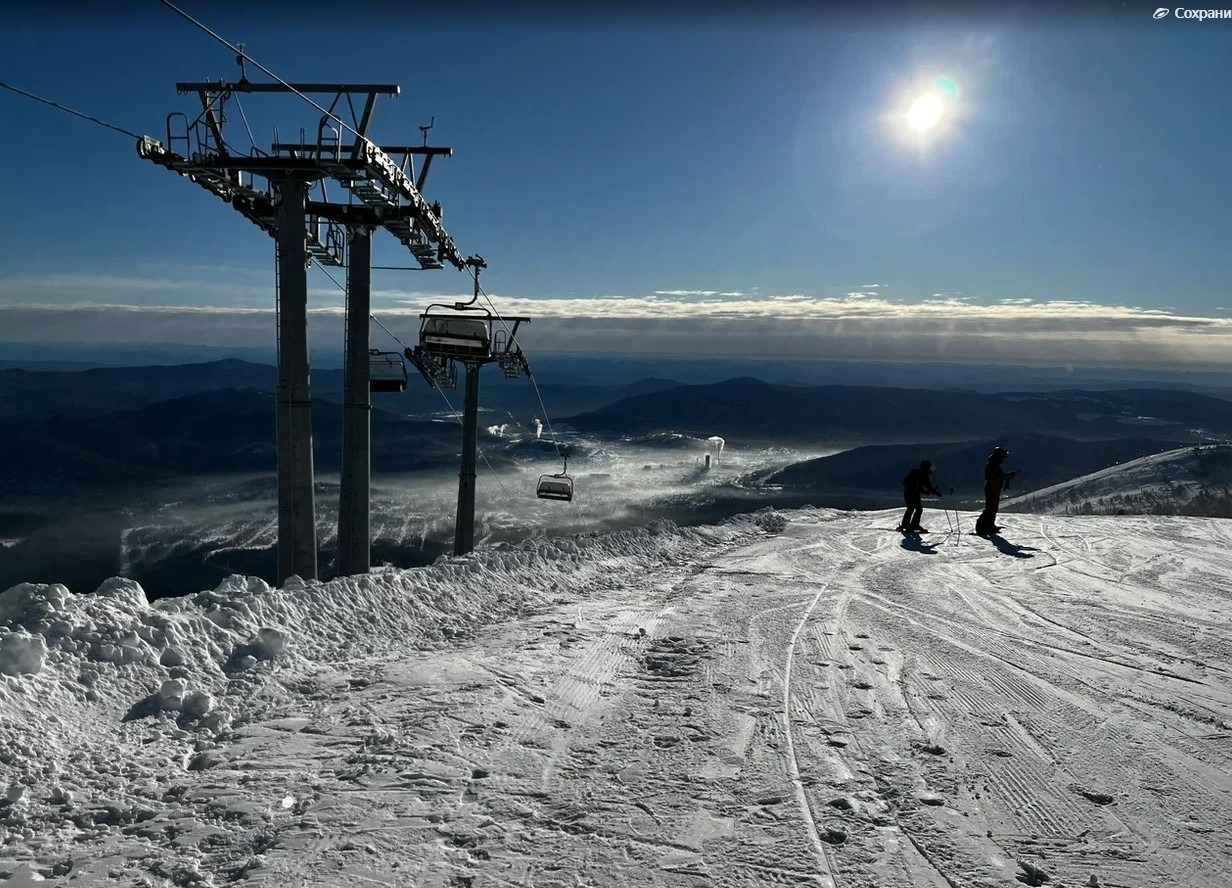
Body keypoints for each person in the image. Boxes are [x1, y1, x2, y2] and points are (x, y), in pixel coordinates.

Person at [975, 446, 1019, 535]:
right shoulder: (992, 465)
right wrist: (1009, 475)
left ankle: (990, 525)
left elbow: (998, 477)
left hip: (994, 488)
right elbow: (997, 477)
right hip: (991, 488)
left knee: (993, 508)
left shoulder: (993, 464)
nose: (1003, 459)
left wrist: (1008, 475)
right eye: (1002, 457)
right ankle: (981, 528)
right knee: (990, 508)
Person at [898, 459, 942, 533]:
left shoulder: (915, 472)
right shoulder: (924, 475)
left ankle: (907, 524)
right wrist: (937, 493)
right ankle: (912, 525)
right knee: (916, 509)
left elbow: (917, 485)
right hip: (912, 494)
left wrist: (924, 491)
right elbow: (929, 487)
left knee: (912, 508)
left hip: (910, 494)